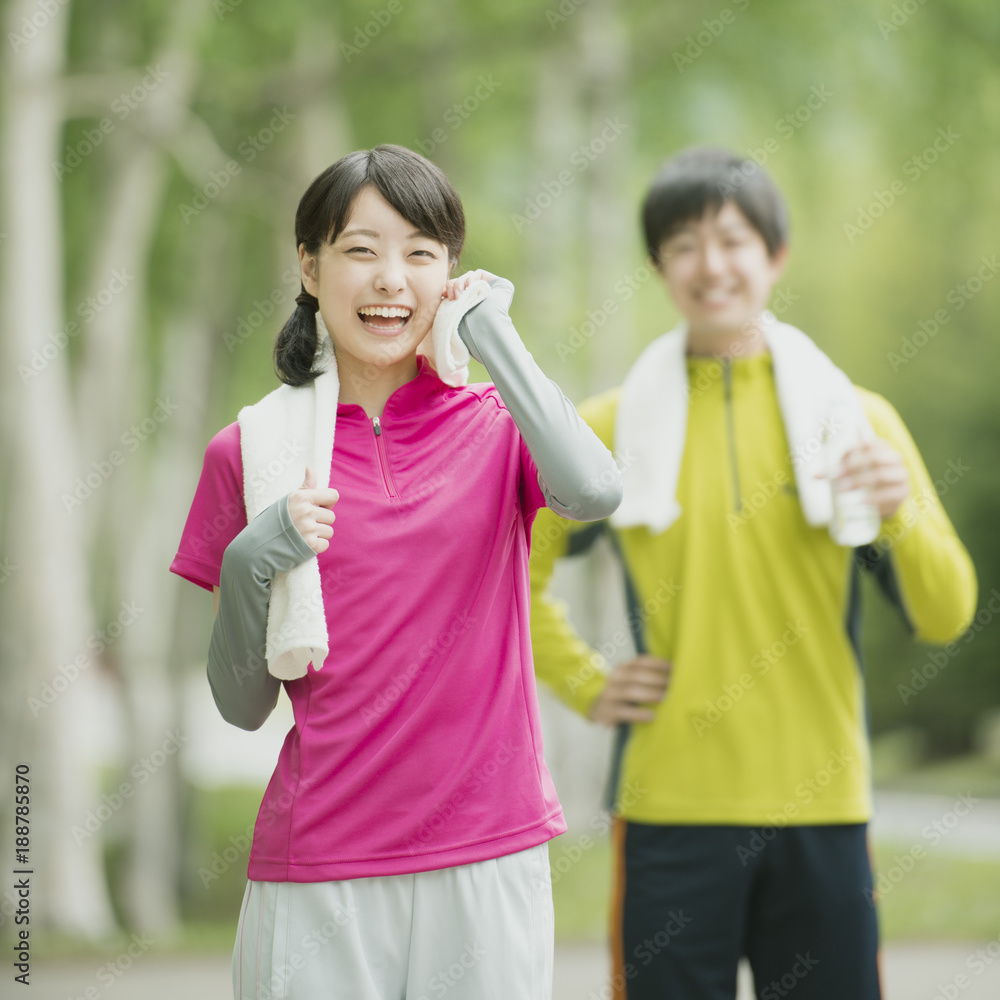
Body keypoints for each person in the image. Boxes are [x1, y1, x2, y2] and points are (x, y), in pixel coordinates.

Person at [169, 144, 622, 1000]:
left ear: (450, 275)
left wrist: (492, 336)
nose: (390, 279)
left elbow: (596, 490)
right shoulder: (251, 451)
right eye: (360, 250)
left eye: (420, 253)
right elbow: (241, 704)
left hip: (489, 853)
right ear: (310, 267)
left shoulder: (501, 427)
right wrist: (251, 557)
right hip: (319, 868)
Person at [529, 146, 977, 1000]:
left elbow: (948, 610)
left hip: (824, 808)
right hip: (668, 810)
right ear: (659, 266)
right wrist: (585, 681)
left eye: (733, 240)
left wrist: (901, 512)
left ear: (776, 255)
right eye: (683, 244)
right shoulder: (607, 430)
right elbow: (512, 571)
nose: (711, 265)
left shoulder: (858, 421)